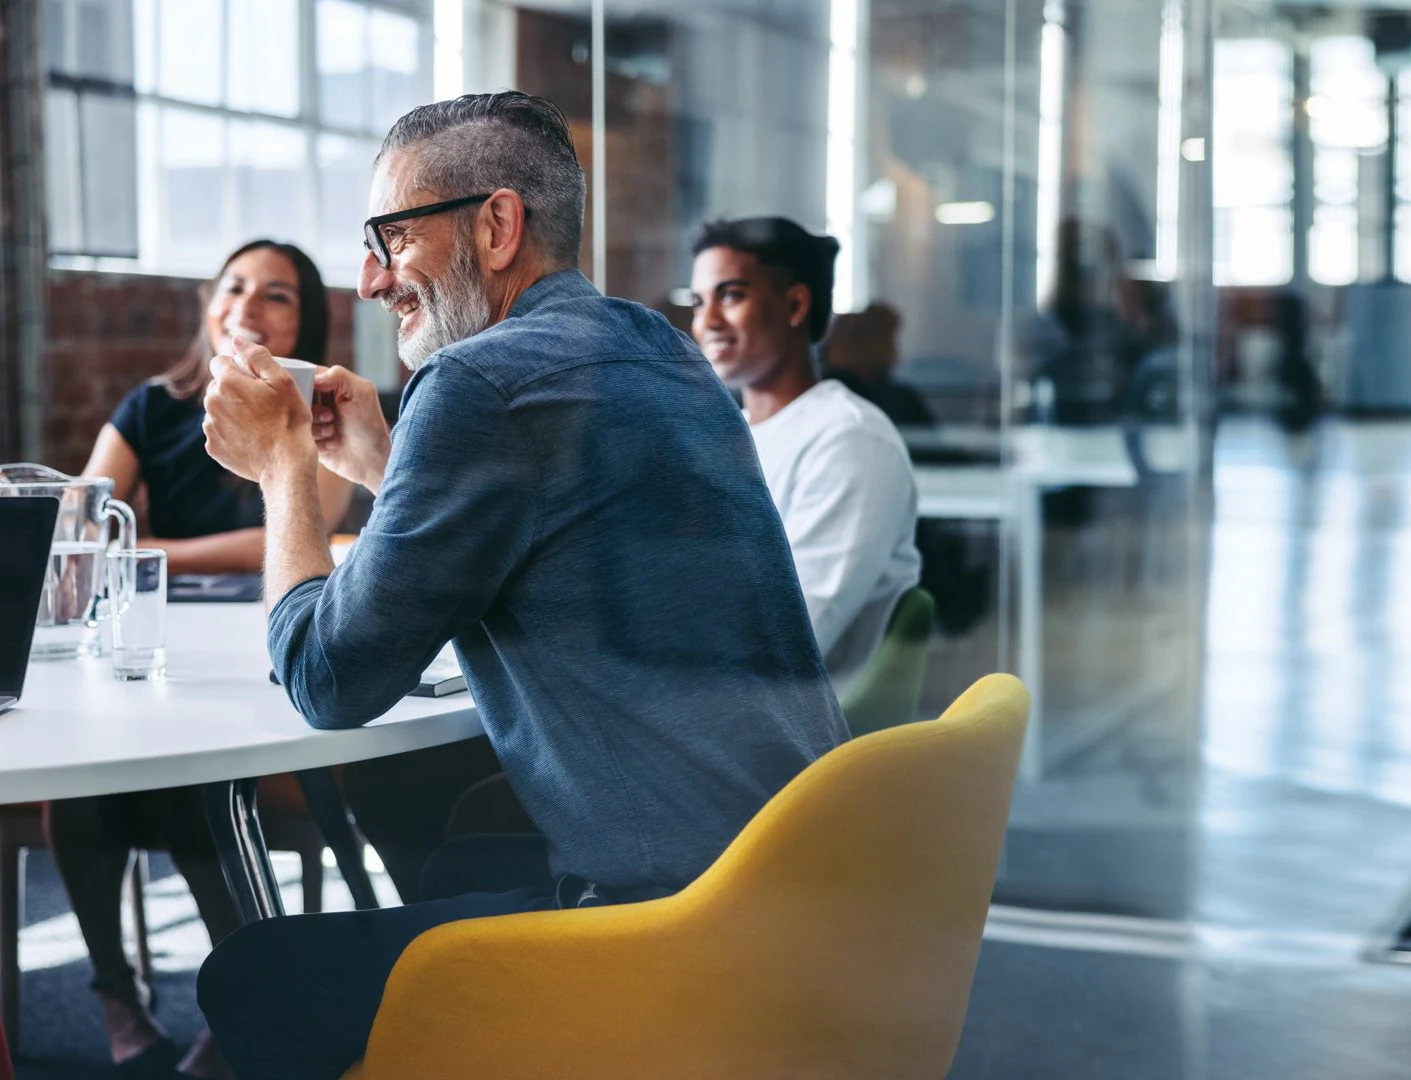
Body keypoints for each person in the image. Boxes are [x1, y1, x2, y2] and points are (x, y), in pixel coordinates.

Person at [192, 91, 842, 1079]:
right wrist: (385, 466)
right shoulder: (655, 346)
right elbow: (552, 535)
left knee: (249, 977)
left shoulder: (478, 385)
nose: (368, 280)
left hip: (675, 925)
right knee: (459, 857)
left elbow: (328, 683)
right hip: (791, 885)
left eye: (389, 237)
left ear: (495, 225)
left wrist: (286, 467)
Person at [46, 240, 353, 1080]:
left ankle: (238, 1001)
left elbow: (297, 532)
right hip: (154, 647)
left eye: (278, 295)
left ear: (308, 321)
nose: (250, 303)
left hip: (263, 648)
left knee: (196, 774)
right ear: (210, 305)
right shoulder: (152, 407)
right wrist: (121, 544)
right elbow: (82, 523)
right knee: (82, 778)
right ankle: (115, 993)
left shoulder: (320, 409)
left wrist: (155, 552)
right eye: (236, 286)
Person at [689, 216, 921, 687]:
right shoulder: (731, 435)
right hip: (715, 698)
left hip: (788, 732)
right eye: (698, 301)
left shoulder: (849, 440)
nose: (707, 321)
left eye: (731, 295)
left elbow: (790, 637)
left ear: (795, 304)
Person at [821, 301, 936, 429]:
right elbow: (936, 446)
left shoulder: (819, 396)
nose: (896, 351)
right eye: (890, 342)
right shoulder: (898, 401)